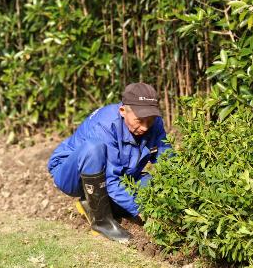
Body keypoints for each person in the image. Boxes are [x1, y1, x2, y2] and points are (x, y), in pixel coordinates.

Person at [47, 83, 172, 242]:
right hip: (69, 173)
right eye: (140, 120)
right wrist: (141, 211)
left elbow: (167, 157)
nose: (145, 127)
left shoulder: (155, 123)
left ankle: (91, 204)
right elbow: (111, 180)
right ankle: (102, 222)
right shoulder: (105, 126)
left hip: (114, 175)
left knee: (150, 185)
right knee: (93, 148)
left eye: (151, 120)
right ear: (122, 111)